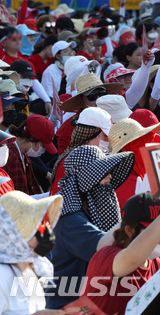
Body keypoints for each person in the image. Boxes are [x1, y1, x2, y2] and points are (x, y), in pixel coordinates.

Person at [48, 144, 134, 309]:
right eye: (102, 172)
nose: (109, 175)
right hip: (67, 306)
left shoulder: (85, 207)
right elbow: (107, 248)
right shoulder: (70, 219)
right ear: (87, 177)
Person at [0, 191, 63, 314]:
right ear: (14, 233)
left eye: (45, 222)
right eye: (38, 225)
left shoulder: (29, 268)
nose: (46, 231)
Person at [82, 192, 160, 314]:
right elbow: (132, 259)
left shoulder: (156, 263)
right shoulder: (105, 256)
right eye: (152, 230)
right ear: (129, 230)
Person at [49, 107, 112, 196]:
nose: (108, 141)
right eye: (105, 136)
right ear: (90, 134)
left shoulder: (100, 156)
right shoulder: (70, 163)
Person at [4, 114, 56, 195]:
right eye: (43, 146)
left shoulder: (24, 156)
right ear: (32, 138)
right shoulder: (8, 156)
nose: (43, 151)